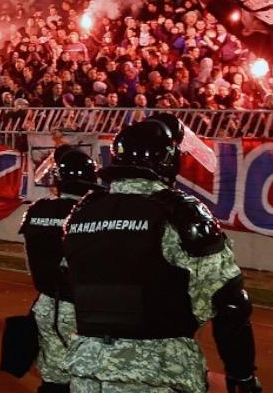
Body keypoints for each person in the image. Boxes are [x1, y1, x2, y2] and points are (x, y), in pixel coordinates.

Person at [62, 117, 261, 393]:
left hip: (86, 373)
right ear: (167, 160)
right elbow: (230, 304)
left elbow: (70, 284)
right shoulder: (180, 213)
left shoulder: (81, 213)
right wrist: (242, 376)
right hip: (156, 374)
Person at [19, 146, 101, 393]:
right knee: (90, 377)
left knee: (54, 378)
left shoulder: (36, 210)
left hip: (46, 305)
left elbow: (29, 260)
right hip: (86, 309)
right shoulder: (94, 212)